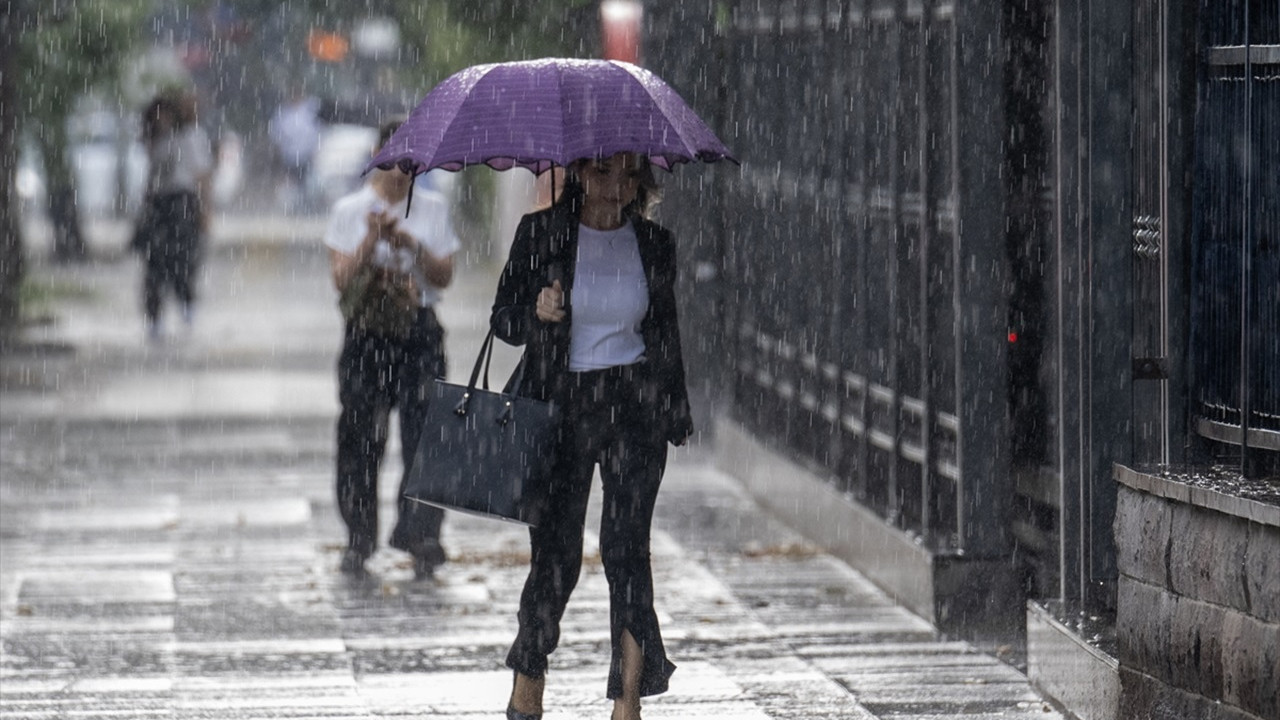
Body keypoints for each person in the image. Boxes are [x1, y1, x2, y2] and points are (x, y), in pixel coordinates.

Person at [490, 152, 694, 720]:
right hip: (562, 408)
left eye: (630, 175)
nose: (617, 187)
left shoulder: (654, 242)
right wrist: (537, 309)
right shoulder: (543, 233)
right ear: (580, 172)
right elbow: (502, 320)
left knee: (628, 552)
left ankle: (628, 699)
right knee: (556, 554)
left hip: (635, 408)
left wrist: (675, 409)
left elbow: (666, 332)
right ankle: (528, 676)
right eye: (604, 173)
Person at [325, 118, 459, 581]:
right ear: (376, 155)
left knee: (427, 436)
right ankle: (359, 535)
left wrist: (410, 244)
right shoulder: (350, 208)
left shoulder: (432, 208)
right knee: (360, 436)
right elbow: (340, 280)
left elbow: (444, 275)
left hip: (418, 330)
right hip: (367, 334)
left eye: (410, 161)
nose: (401, 171)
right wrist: (370, 239)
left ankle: (421, 533)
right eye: (393, 159)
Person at [135, 89, 214, 340]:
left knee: (182, 261)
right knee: (154, 266)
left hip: (182, 204)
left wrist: (205, 209)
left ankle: (187, 306)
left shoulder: (191, 138)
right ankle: (154, 317)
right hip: (159, 205)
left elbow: (202, 176)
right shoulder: (156, 141)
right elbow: (151, 178)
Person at [268, 86, 323, 213]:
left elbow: (317, 133)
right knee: (291, 185)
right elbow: (277, 135)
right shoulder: (283, 113)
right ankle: (292, 208)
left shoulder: (310, 111)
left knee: (306, 184)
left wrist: (315, 150)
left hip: (306, 156)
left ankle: (307, 207)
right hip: (289, 156)